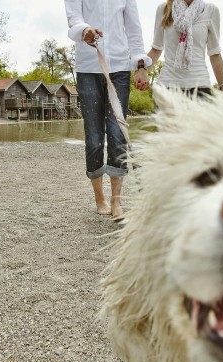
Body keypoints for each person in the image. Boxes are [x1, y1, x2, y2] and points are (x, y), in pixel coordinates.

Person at [65, 0, 151, 219]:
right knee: (94, 137)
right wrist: (84, 30)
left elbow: (134, 30)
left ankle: (116, 200)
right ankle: (99, 197)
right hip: (88, 67)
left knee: (117, 134)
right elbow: (74, 18)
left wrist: (140, 67)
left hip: (120, 68)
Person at [147, 0, 223, 97]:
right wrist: (142, 70)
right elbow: (156, 49)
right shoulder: (164, 8)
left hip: (200, 87)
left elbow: (214, 53)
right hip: (167, 87)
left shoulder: (211, 10)